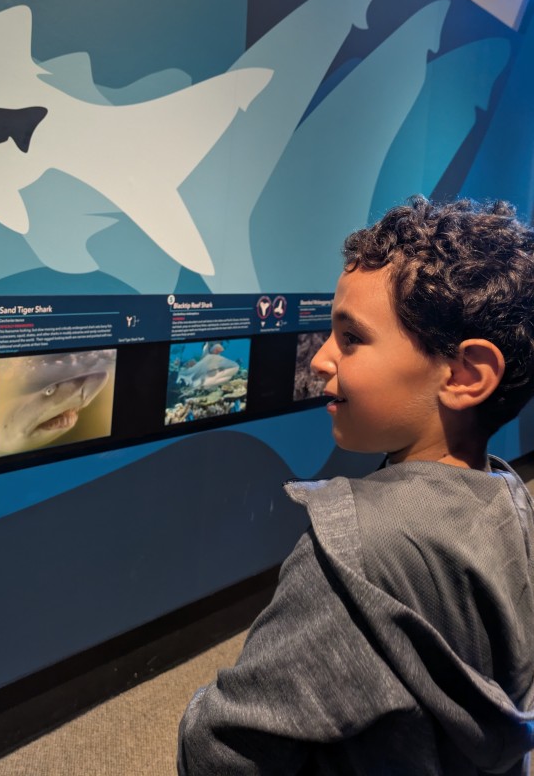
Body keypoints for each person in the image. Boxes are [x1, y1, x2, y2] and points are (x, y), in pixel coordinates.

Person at [178, 197, 534, 775]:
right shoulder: (509, 498)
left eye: (351, 338)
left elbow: (220, 748)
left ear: (465, 375)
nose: (321, 359)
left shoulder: (350, 558)